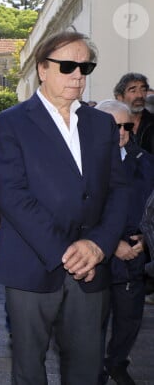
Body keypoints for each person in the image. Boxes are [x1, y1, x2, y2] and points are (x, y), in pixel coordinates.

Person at [0, 31, 129, 384]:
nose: (78, 75)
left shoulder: (102, 124)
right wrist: (68, 252)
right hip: (32, 267)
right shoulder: (11, 122)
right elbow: (12, 196)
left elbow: (118, 190)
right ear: (42, 69)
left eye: (85, 67)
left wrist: (97, 245)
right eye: (68, 66)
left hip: (92, 271)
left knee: (85, 369)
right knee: (29, 370)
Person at [94, 100, 154, 385]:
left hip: (134, 257)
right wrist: (111, 243)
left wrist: (147, 238)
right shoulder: (83, 163)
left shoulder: (146, 162)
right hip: (98, 258)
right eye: (113, 126)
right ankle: (93, 369)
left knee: (129, 321)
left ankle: (116, 363)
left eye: (126, 126)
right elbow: (80, 212)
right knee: (93, 322)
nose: (120, 132)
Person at [114, 73, 154, 154]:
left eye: (143, 90)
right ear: (120, 97)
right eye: (133, 91)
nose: (139, 95)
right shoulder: (112, 124)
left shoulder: (151, 121)